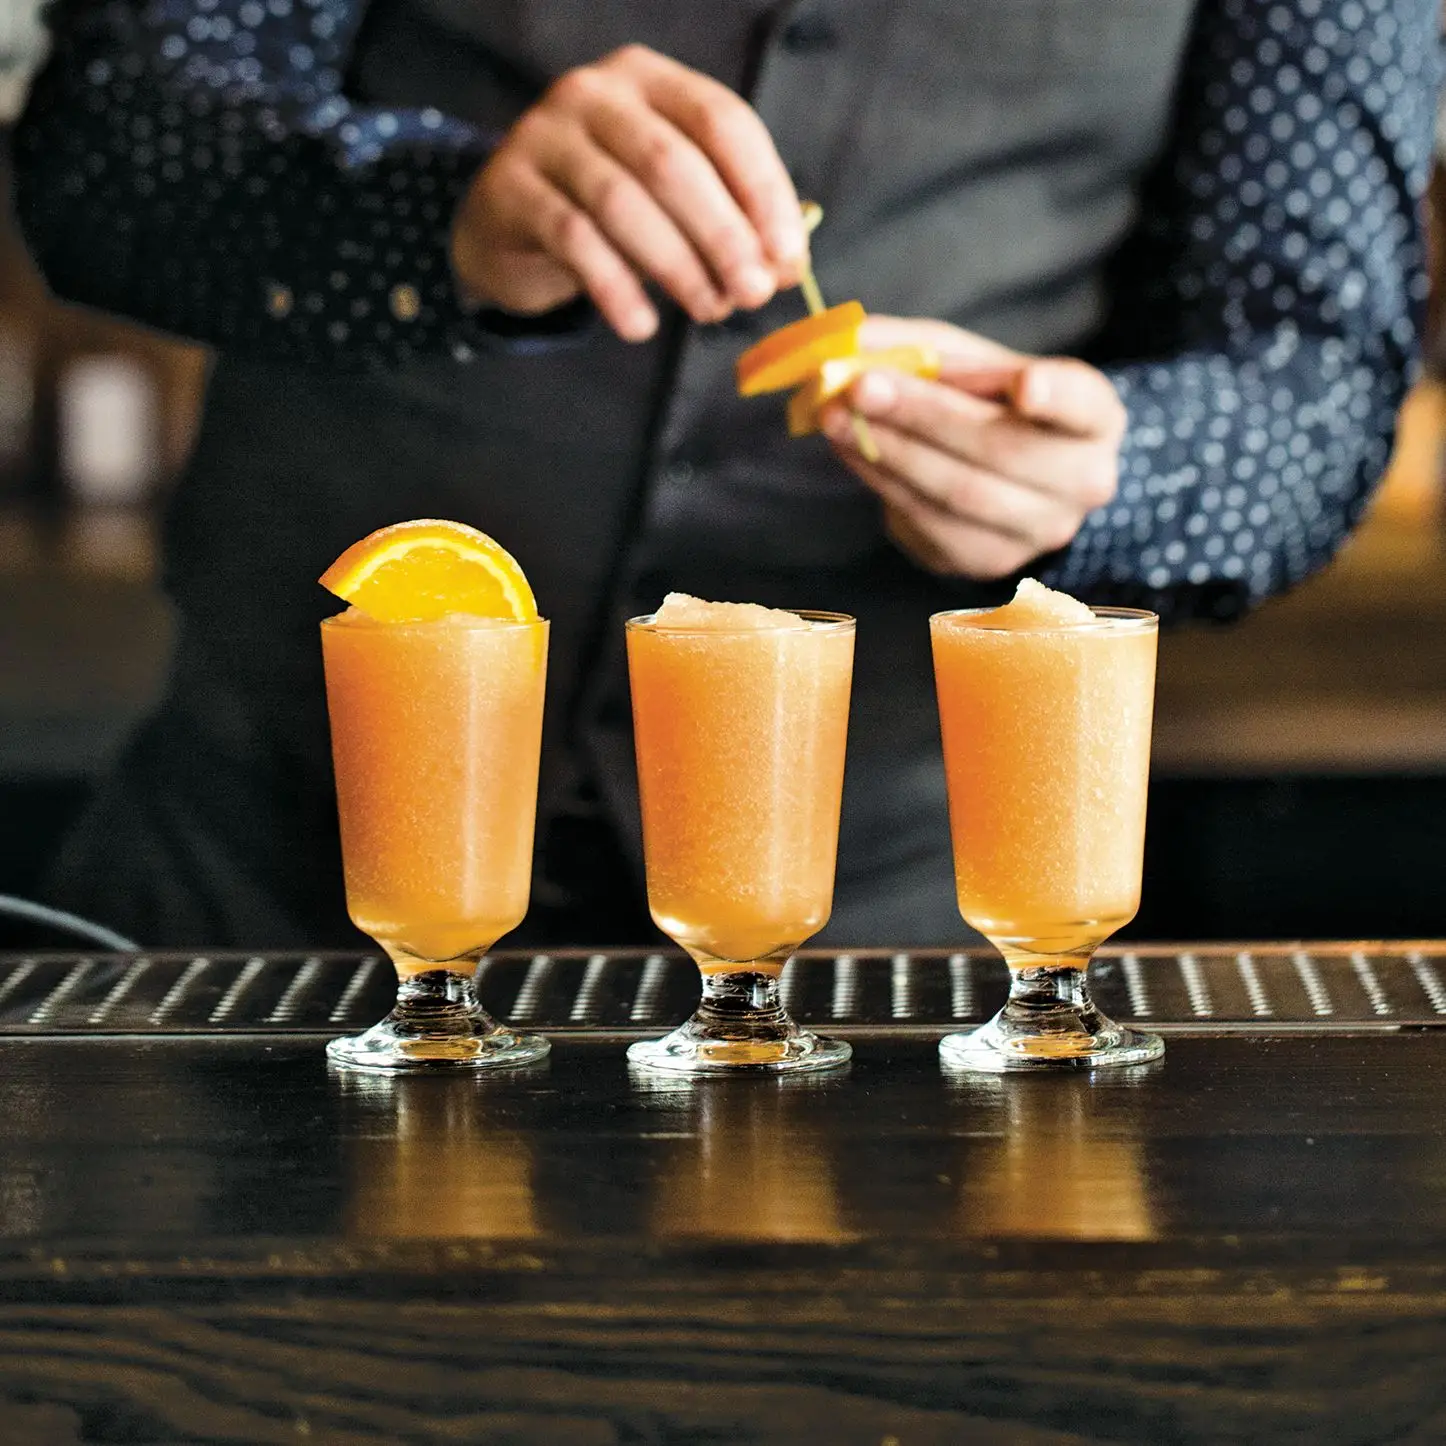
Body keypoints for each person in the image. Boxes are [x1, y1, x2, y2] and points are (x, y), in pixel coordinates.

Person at [11, 0, 1442, 949]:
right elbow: (108, 146)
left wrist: (1113, 474)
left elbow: (1312, 376)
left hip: (894, 942)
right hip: (256, 871)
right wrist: (434, 216)